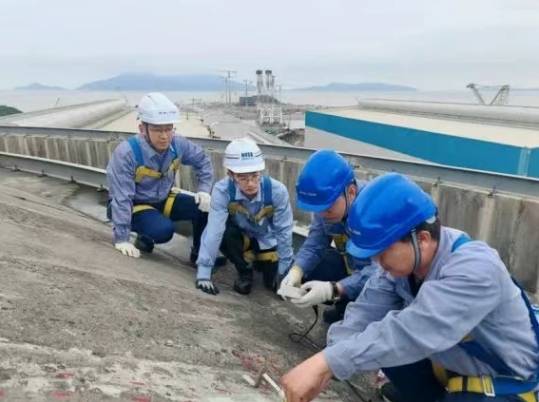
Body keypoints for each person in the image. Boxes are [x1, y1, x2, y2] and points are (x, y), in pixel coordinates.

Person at [281, 172, 539, 402]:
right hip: (452, 365)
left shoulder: (475, 269)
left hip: (505, 383)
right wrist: (324, 365)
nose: (377, 262)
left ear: (422, 239)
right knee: (377, 346)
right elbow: (364, 313)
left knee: (391, 341)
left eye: (382, 252)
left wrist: (327, 363)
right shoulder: (398, 269)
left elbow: (413, 331)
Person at [106, 92, 216, 263]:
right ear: (142, 129)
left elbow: (203, 161)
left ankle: (199, 256)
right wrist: (122, 239)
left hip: (163, 199)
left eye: (168, 129)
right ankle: (144, 236)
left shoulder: (178, 144)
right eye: (157, 130)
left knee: (207, 208)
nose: (164, 136)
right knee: (163, 230)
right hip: (134, 204)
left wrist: (204, 191)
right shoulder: (127, 153)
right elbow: (122, 198)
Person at [278, 150, 377, 324]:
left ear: (351, 192)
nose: (322, 215)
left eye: (327, 208)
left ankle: (359, 310)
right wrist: (296, 271)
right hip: (351, 266)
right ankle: (345, 304)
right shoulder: (326, 207)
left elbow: (381, 273)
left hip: (380, 281)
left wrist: (333, 289)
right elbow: (315, 244)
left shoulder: (375, 212)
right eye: (318, 209)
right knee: (310, 268)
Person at [195, 137, 294, 296]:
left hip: (267, 239)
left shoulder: (277, 191)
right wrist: (204, 273)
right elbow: (214, 231)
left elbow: (284, 232)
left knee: (273, 284)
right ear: (231, 174)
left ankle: (262, 263)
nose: (250, 184)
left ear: (261, 171)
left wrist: (284, 273)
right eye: (242, 178)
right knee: (225, 233)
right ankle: (244, 271)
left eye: (255, 176)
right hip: (241, 238)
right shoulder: (222, 191)